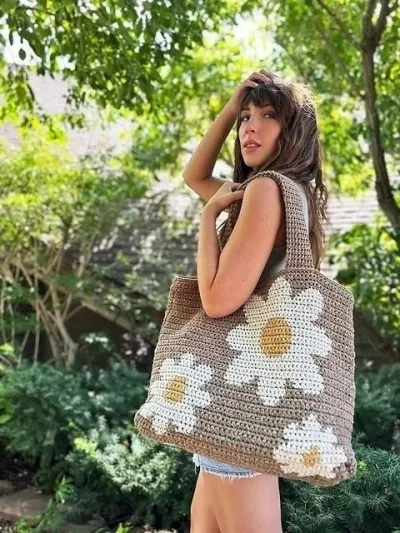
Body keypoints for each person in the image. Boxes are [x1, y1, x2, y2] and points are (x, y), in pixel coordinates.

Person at [183, 69, 328, 533]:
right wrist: (232, 105)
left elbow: (216, 301)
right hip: (236, 417)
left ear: (294, 130)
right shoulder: (290, 194)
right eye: (245, 117)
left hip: (236, 420)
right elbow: (195, 175)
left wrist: (208, 220)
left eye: (268, 115)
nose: (250, 126)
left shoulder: (266, 190)